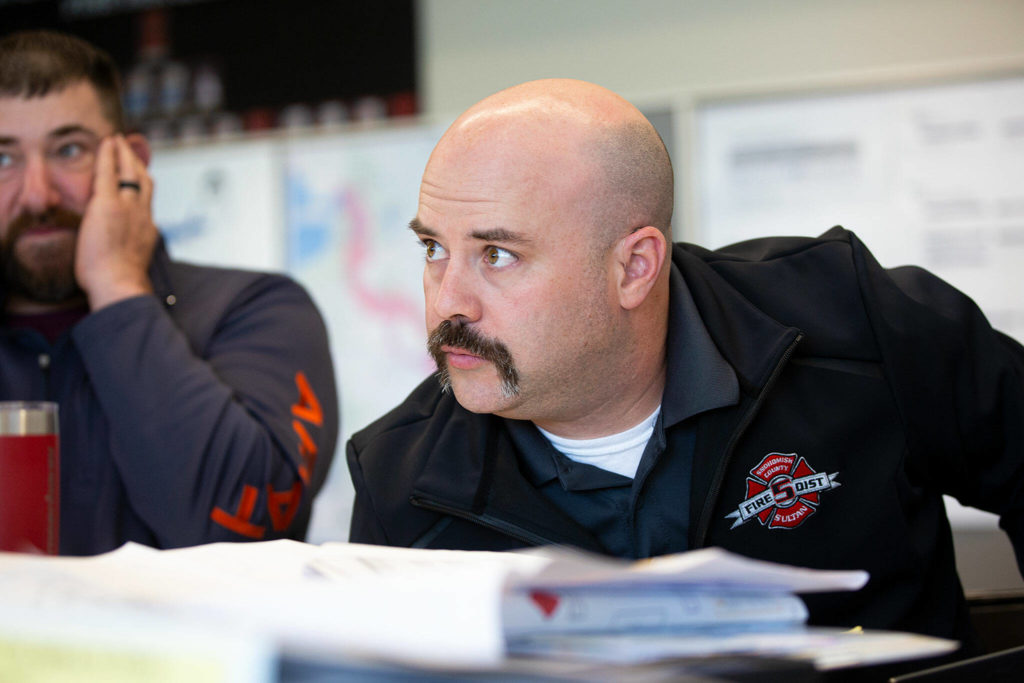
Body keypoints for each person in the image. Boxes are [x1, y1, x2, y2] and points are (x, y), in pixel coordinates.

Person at [347, 78, 1024, 647]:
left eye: (497, 255)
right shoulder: (400, 482)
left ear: (634, 267)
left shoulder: (849, 322)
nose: (448, 302)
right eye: (434, 248)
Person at [0, 30, 338, 555]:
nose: (39, 193)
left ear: (131, 161)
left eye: (69, 150)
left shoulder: (257, 310)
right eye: (4, 160)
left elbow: (241, 535)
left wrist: (118, 288)